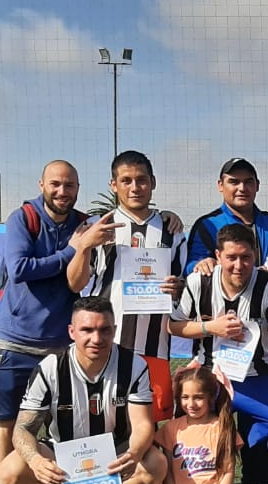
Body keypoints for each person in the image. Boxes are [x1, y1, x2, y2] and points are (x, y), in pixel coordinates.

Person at [0, 160, 122, 484]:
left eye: (70, 185)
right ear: (42, 183)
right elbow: (21, 267)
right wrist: (73, 249)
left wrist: (83, 248)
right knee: (8, 424)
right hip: (16, 340)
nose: (63, 191)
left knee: (65, 425)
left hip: (60, 346)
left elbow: (76, 284)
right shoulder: (22, 218)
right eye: (56, 184)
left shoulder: (82, 222)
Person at [0, 297, 167, 484]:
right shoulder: (50, 368)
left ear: (115, 330)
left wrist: (134, 453)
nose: (96, 339)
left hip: (113, 454)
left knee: (155, 463)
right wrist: (35, 461)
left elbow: (142, 424)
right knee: (10, 471)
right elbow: (23, 429)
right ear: (72, 331)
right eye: (87, 330)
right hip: (62, 455)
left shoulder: (134, 365)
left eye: (104, 329)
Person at [169, 223, 268, 484]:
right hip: (210, 374)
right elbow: (173, 325)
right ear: (218, 256)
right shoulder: (199, 282)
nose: (239, 265)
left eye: (246, 257)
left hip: (259, 374)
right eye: (231, 258)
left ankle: (262, 482)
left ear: (255, 255)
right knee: (196, 425)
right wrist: (209, 327)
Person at [77, 150, 186, 423]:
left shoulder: (171, 229)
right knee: (100, 423)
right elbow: (75, 283)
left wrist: (179, 286)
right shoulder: (95, 226)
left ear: (153, 182)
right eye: (126, 181)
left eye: (141, 180)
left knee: (151, 428)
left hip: (154, 345)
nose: (135, 187)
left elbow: (185, 284)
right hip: (105, 344)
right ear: (114, 185)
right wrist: (85, 245)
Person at [151, 367, 238, 484]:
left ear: (210, 397)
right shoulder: (171, 429)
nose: (191, 404)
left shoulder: (222, 427)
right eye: (185, 397)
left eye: (198, 397)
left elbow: (228, 470)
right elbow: (169, 472)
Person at [185, 157, 268, 274]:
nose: (242, 188)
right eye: (234, 182)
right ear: (220, 185)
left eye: (248, 182)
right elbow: (190, 265)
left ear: (257, 186)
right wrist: (201, 264)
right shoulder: (208, 225)